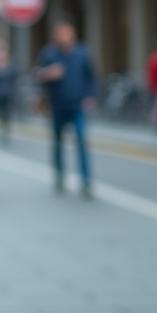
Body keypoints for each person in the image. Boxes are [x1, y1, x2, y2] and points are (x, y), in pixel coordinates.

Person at [36, 18, 98, 198]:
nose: (63, 37)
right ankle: (59, 175)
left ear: (73, 34)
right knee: (57, 142)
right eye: (60, 33)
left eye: (66, 33)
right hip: (57, 105)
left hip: (77, 105)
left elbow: (92, 77)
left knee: (81, 139)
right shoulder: (49, 55)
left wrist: (90, 97)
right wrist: (48, 74)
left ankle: (86, 181)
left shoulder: (83, 53)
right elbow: (37, 76)